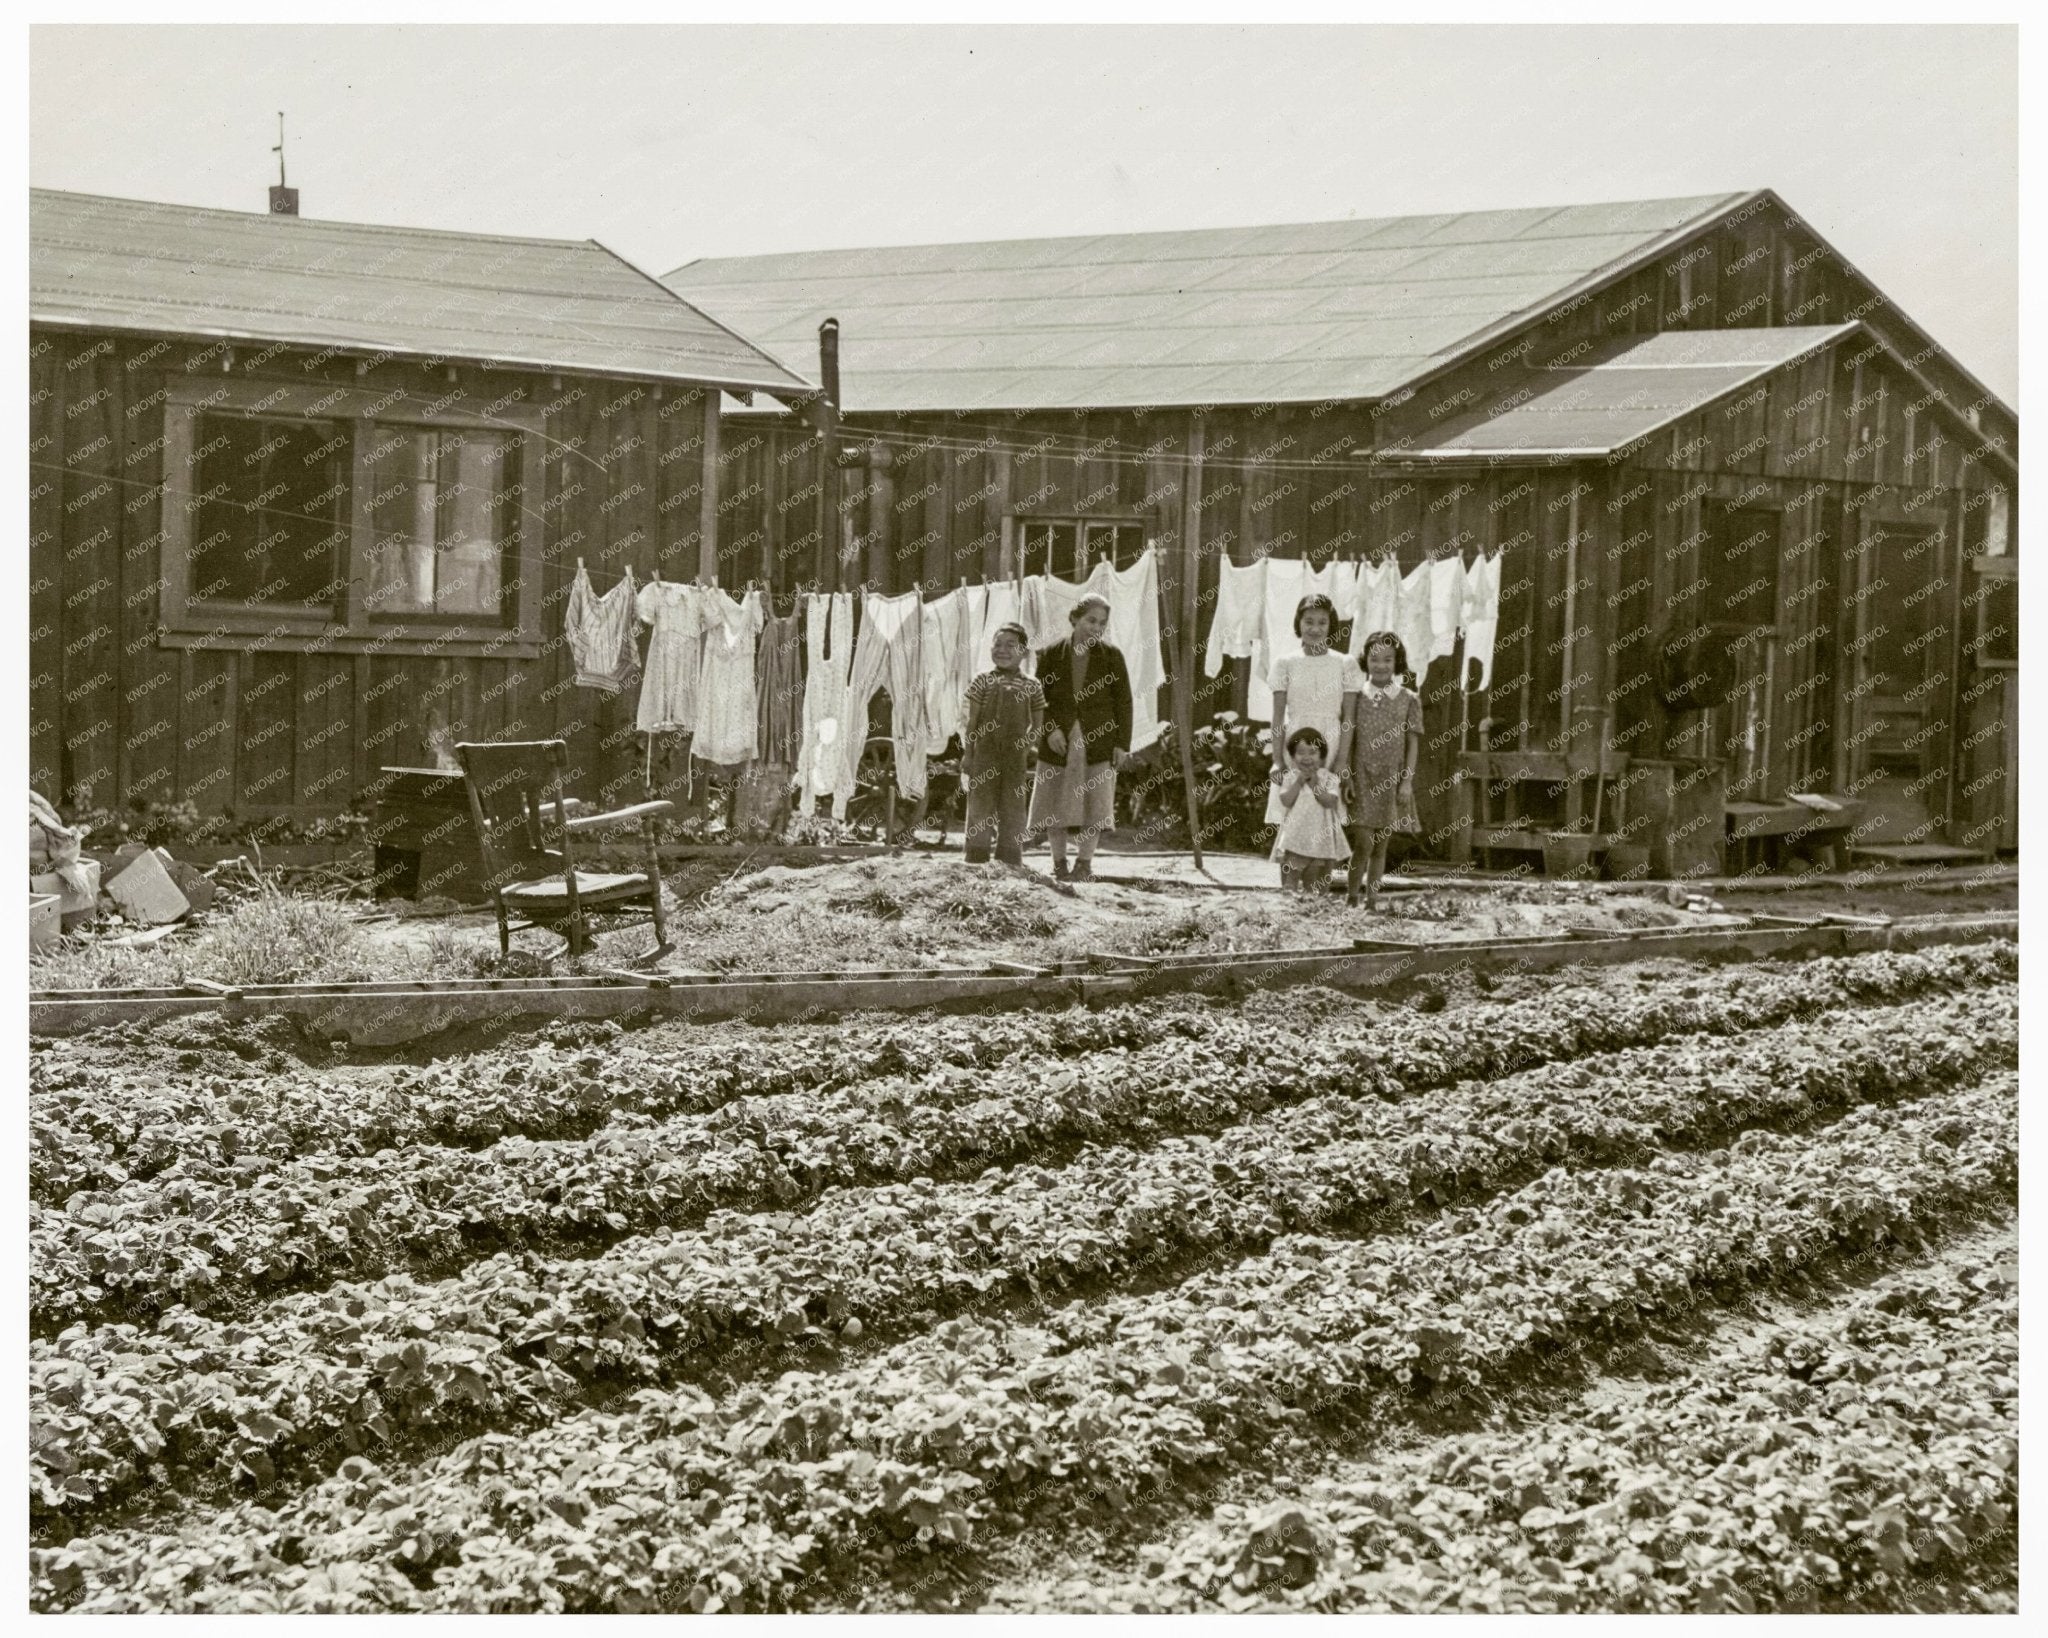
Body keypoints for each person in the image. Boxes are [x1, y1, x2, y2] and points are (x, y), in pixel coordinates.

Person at [1030, 593, 1133, 882]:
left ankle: (1084, 864)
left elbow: (1124, 702)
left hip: (1098, 738)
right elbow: (1038, 699)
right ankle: (1059, 863)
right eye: (1090, 620)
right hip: (1059, 740)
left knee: (1094, 803)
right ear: (1074, 619)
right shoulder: (1052, 654)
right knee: (1054, 800)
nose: (1096, 628)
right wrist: (1049, 729)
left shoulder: (1111, 656)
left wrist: (1121, 744)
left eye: (1102, 623)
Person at [1266, 594, 1358, 850]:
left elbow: (1349, 718)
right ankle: (1290, 869)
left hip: (1331, 740)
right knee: (1295, 804)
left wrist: (1341, 761)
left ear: (1331, 626)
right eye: (1309, 622)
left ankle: (1320, 870)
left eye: (1322, 622)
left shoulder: (1345, 663)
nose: (1315, 629)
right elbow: (1277, 716)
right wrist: (1276, 759)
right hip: (1296, 741)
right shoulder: (1285, 663)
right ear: (1299, 623)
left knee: (1324, 806)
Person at [1345, 630, 1422, 910]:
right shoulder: (1356, 697)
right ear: (1366, 661)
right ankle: (1352, 896)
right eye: (1374, 659)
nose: (1380, 665)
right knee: (1363, 842)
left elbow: (1412, 745)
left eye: (1387, 660)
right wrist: (1348, 777)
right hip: (1362, 775)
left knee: (1381, 846)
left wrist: (1407, 782)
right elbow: (1349, 740)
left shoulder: (1408, 698)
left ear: (1397, 661)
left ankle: (1372, 900)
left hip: (1391, 779)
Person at [961, 623, 1046, 867]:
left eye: (1010, 645)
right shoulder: (982, 681)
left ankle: (1009, 859)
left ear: (1023, 652)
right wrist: (968, 755)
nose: (1002, 650)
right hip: (984, 754)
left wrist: (1025, 747)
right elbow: (971, 722)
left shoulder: (1032, 685)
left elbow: (1038, 726)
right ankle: (976, 858)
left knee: (1013, 806)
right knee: (980, 805)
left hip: (1014, 758)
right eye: (997, 644)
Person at [1274, 726, 1348, 892]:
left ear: (1321, 756)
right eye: (1301, 752)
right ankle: (1290, 903)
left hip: (1321, 836)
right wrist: (1299, 782)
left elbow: (1330, 802)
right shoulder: (1290, 776)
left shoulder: (1329, 778)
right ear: (1293, 756)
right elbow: (1286, 800)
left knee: (1316, 881)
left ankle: (1314, 905)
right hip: (1296, 836)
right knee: (1291, 876)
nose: (1307, 758)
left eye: (1312, 752)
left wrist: (1315, 785)